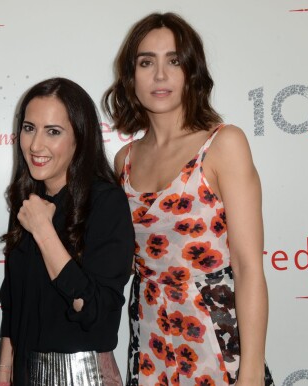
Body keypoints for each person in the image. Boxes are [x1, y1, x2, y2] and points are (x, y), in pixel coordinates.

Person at [104, 12, 274, 386]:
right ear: (131, 76)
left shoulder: (223, 145)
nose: (160, 75)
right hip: (149, 337)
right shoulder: (124, 160)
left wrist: (250, 373)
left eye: (174, 61)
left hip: (216, 337)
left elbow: (247, 268)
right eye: (146, 62)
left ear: (191, 72)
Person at [0, 77, 135, 386]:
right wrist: (3, 372)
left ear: (80, 138)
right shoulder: (28, 203)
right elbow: (14, 301)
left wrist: (44, 232)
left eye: (53, 132)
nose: (35, 145)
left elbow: (96, 314)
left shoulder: (105, 202)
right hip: (24, 372)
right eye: (29, 128)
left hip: (84, 376)